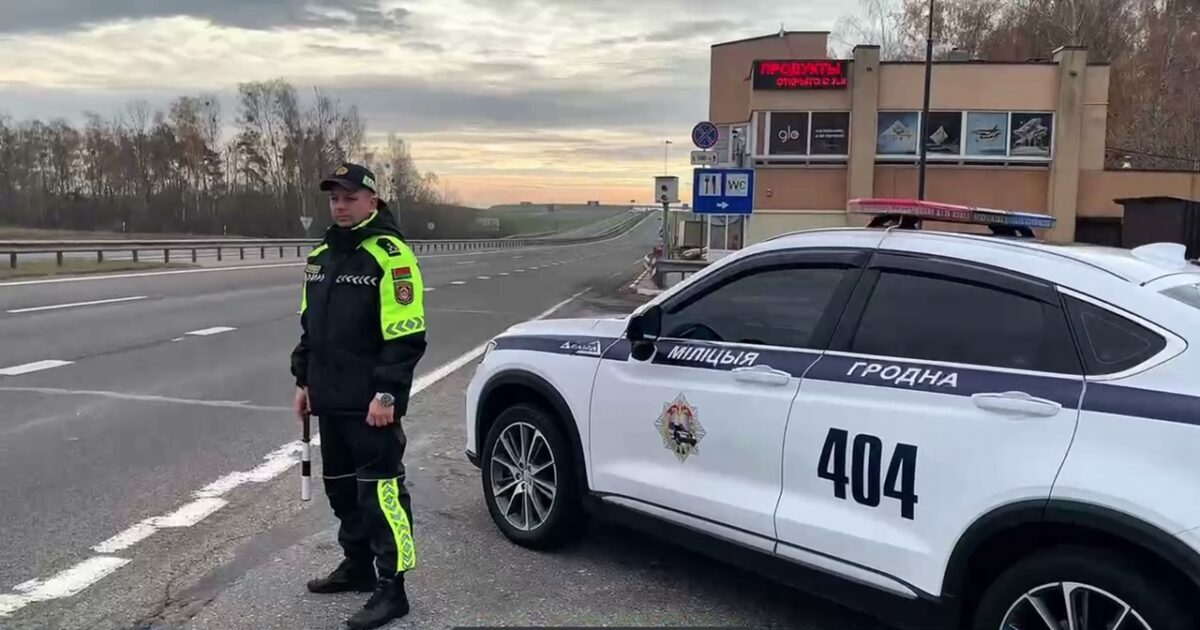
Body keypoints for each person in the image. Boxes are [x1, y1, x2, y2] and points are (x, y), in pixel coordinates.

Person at [290, 162, 427, 630]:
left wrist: (388, 393)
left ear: (372, 201)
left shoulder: (390, 255)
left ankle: (393, 588)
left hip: (373, 406)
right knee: (342, 490)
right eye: (334, 198)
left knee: (382, 495)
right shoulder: (321, 256)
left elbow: (406, 335)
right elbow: (310, 328)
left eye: (349, 197)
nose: (340, 205)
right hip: (331, 399)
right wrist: (303, 381)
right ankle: (358, 565)